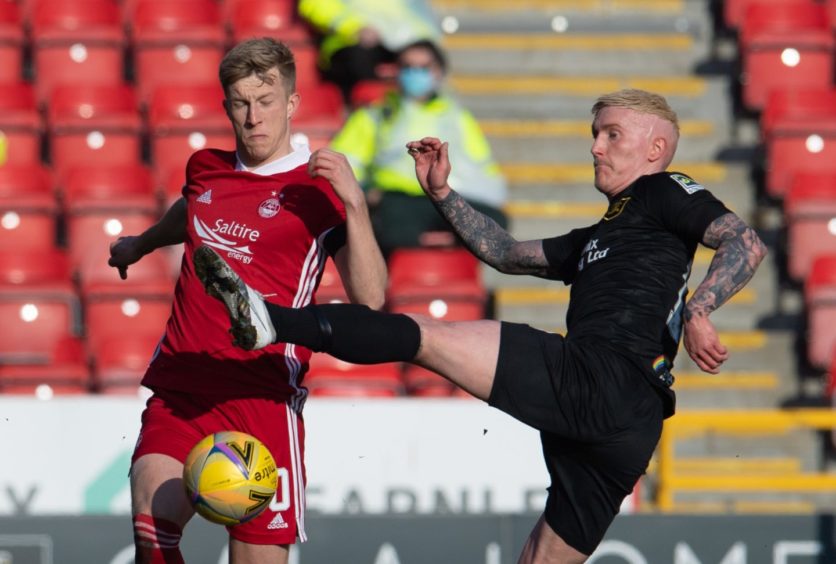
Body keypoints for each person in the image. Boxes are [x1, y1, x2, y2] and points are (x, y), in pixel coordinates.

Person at [193, 89, 767, 562]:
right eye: (595, 133)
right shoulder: (604, 235)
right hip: (629, 426)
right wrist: (441, 192)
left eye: (611, 134)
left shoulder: (664, 189)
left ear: (656, 147)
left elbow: (744, 239)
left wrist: (699, 309)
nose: (596, 147)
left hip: (600, 377)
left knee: (422, 334)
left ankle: (271, 319)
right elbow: (507, 252)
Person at [107, 37, 386, 564]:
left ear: (292, 104)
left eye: (266, 101)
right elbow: (190, 212)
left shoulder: (318, 190)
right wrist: (139, 245)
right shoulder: (205, 169)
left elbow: (370, 297)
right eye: (241, 103)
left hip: (261, 398)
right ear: (227, 106)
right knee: (152, 534)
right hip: (182, 387)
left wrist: (355, 204)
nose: (254, 116)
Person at [330, 39, 508, 257]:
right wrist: (365, 192)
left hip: (447, 198)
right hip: (398, 199)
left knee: (494, 223)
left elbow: (483, 169)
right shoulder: (375, 115)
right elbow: (345, 162)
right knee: (388, 221)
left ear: (439, 72)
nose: (415, 74)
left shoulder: (458, 118)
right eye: (408, 67)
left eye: (424, 68)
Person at [298, 0, 441, 103]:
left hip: (396, 44)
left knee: (424, 59)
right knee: (359, 61)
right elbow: (313, 4)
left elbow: (417, 14)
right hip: (350, 43)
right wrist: (354, 27)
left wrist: (420, 42)